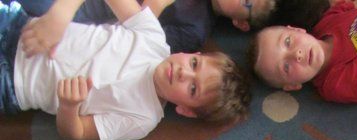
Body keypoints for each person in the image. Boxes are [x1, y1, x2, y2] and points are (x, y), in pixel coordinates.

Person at [0, 0, 251, 140]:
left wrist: (69, 106)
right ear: (193, 54)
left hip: (13, 86)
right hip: (19, 25)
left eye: (192, 88)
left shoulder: (143, 119)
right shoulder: (153, 36)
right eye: (194, 64)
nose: (184, 73)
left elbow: (76, 133)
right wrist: (60, 16)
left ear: (186, 109)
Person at [19, 0, 276, 53]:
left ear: (240, 23)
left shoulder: (194, 31)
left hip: (90, 13)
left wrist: (154, 6)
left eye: (247, 2)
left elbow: (133, 44)